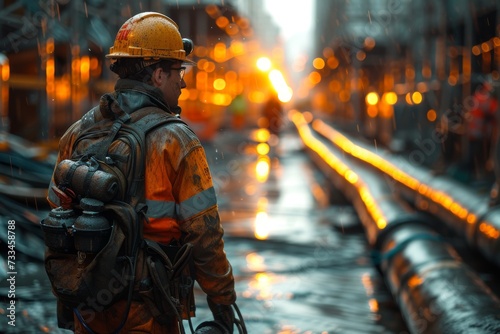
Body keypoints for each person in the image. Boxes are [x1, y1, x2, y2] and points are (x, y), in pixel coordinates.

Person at [47, 12, 237, 333]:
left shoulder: (80, 131)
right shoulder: (176, 139)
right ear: (158, 75)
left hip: (89, 309)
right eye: (178, 70)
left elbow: (56, 204)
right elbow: (204, 234)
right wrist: (222, 300)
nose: (183, 81)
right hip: (148, 312)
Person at [466, 81, 498, 181]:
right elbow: (496, 114)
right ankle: (480, 175)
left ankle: (474, 175)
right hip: (482, 135)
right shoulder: (489, 101)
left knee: (475, 156)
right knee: (482, 156)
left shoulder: (476, 97)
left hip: (474, 133)